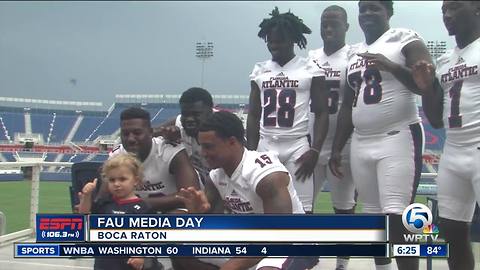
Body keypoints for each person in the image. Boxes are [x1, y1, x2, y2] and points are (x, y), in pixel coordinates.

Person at [329, 1, 432, 270]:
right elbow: (347, 106)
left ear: (389, 12)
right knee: (374, 220)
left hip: (397, 136)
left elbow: (425, 84)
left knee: (398, 217)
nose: (367, 14)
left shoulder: (404, 39)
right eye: (363, 9)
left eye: (374, 8)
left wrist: (393, 67)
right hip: (362, 141)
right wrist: (338, 148)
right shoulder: (355, 53)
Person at [174, 111, 305, 270]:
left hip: (290, 242)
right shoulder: (216, 177)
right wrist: (196, 215)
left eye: (209, 147)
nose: (203, 153)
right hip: (250, 241)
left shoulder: (266, 176)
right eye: (201, 146)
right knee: (181, 248)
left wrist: (231, 265)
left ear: (232, 142)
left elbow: (278, 235)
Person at [412, 1, 480, 269]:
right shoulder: (444, 60)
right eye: (443, 10)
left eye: (454, 8)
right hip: (453, 151)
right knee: (452, 230)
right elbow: (437, 121)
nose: (447, 15)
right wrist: (427, 87)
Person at [247, 7, 330, 213]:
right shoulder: (259, 70)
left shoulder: (311, 69)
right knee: (260, 206)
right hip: (266, 145)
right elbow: (254, 114)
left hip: (297, 146)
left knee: (303, 208)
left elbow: (322, 112)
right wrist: (250, 151)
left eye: (280, 40)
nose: (274, 45)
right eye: (270, 41)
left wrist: (315, 150)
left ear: (292, 39)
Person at [307, 5, 355, 270]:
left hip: (343, 145)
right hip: (313, 144)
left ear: (346, 27)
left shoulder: (354, 55)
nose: (328, 28)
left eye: (334, 23)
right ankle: (305, 257)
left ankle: (341, 264)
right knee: (303, 205)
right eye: (324, 23)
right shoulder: (310, 57)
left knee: (344, 207)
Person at [78, 153, 161, 270]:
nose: (117, 184)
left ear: (135, 180)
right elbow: (84, 215)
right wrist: (87, 196)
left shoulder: (144, 208)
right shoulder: (104, 203)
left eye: (122, 179)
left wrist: (141, 255)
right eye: (112, 180)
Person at [110, 107, 200, 213]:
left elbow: (190, 195)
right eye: (125, 134)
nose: (131, 139)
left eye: (137, 133)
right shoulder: (117, 156)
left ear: (151, 132)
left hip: (171, 210)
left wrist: (139, 203)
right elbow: (103, 198)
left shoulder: (170, 150)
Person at [153, 87, 214, 189]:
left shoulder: (225, 129)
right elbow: (147, 133)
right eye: (185, 114)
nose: (189, 119)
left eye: (196, 114)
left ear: (210, 112)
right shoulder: (177, 125)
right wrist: (165, 134)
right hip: (192, 184)